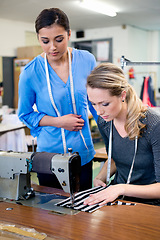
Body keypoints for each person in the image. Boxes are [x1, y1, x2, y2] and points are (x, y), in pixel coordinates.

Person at [18, 8, 98, 190]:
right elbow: (25, 114)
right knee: (53, 214)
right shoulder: (30, 73)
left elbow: (96, 103)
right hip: (49, 157)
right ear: (38, 38)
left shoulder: (86, 60)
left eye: (59, 39)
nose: (52, 47)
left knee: (83, 209)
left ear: (69, 34)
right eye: (45, 41)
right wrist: (58, 122)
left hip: (83, 152)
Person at [84, 62, 160, 206]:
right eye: (93, 104)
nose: (99, 111)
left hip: (150, 204)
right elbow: (115, 158)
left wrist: (120, 188)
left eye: (104, 104)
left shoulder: (154, 125)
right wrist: (100, 177)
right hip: (118, 198)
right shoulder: (105, 122)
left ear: (122, 95)